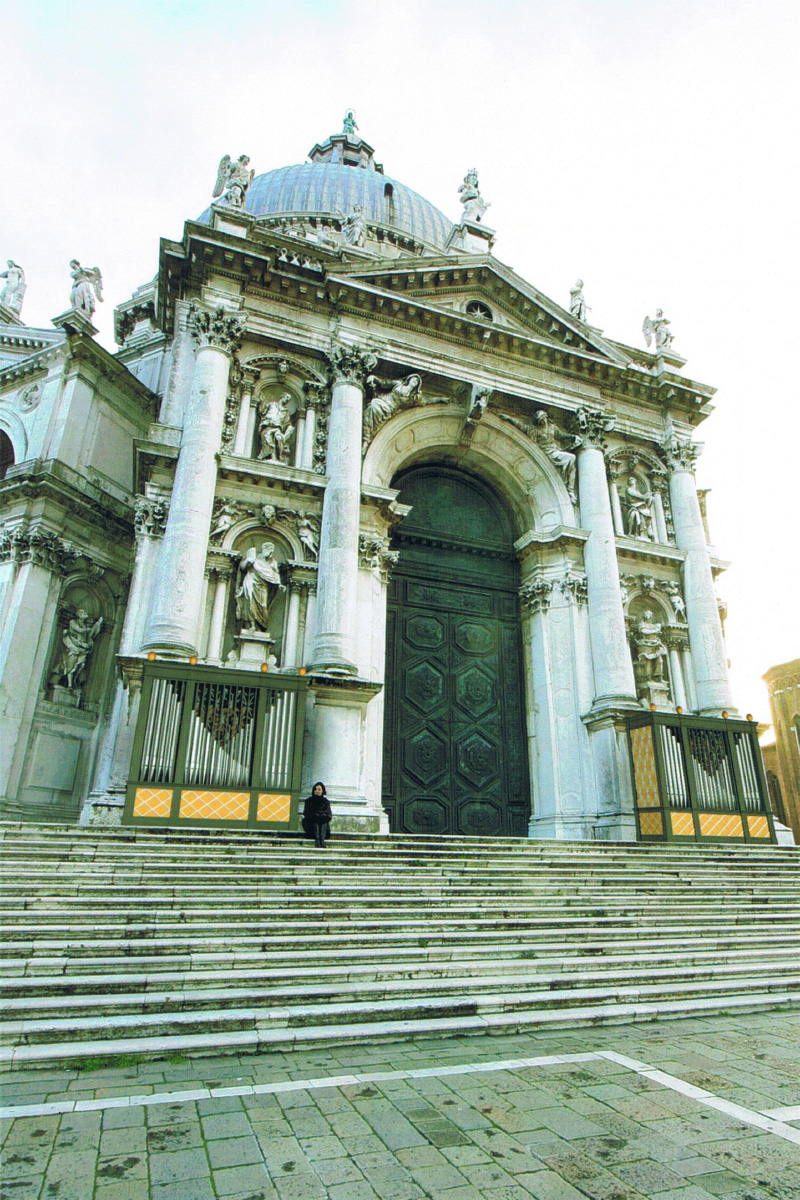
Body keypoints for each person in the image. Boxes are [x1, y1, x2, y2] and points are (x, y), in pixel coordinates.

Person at [302, 781, 332, 848]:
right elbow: (306, 813)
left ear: (322, 791)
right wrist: (316, 816)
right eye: (316, 789)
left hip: (323, 828)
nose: (317, 791)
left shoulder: (326, 802)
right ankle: (317, 840)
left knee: (323, 821)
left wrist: (321, 816)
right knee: (315, 821)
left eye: (319, 789)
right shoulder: (309, 801)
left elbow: (329, 815)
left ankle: (322, 840)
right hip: (311, 828)